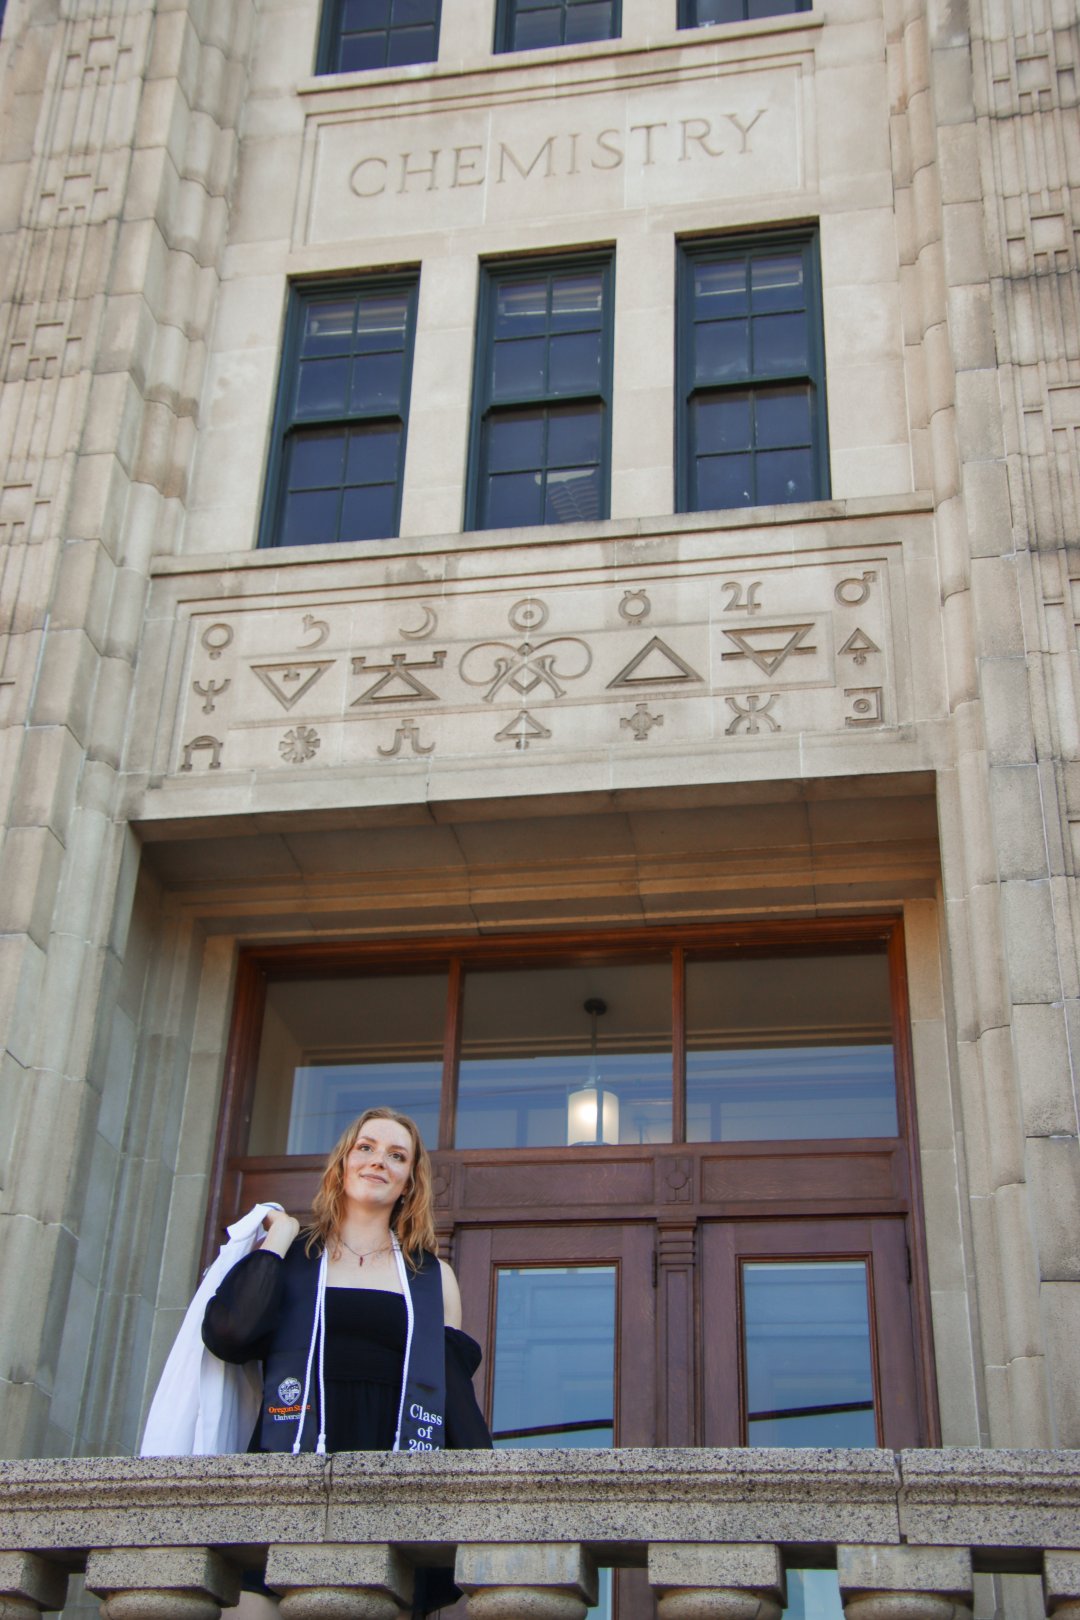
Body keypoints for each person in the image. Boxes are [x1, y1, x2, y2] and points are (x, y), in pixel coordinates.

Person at [201, 1106, 492, 1455]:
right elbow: (230, 1335)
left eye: (396, 1156)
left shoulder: (432, 1277)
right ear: (342, 1165)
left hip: (395, 1462)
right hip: (291, 1457)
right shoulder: (291, 1259)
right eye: (366, 1148)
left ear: (409, 1183)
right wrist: (279, 1239)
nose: (379, 1161)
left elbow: (451, 1393)